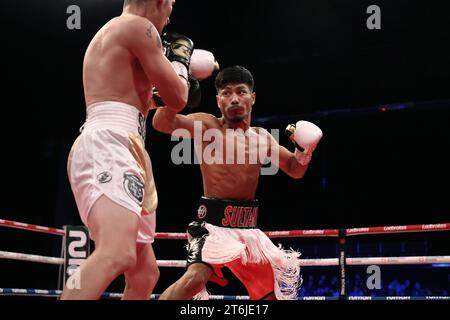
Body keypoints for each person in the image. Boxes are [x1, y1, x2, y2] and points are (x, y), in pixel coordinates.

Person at [62, 0, 196, 300]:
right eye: (170, 6)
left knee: (145, 273)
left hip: (128, 145)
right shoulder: (138, 26)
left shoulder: (120, 33)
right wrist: (180, 64)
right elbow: (177, 97)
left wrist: (176, 77)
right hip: (110, 143)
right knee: (116, 252)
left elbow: (153, 102)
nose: (170, 13)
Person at [153, 65, 323, 300]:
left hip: (248, 230)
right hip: (212, 226)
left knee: (269, 295)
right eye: (226, 93)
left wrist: (304, 152)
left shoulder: (262, 138)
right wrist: (176, 88)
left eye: (241, 92)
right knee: (194, 279)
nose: (233, 99)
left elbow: (294, 169)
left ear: (252, 97)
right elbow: (162, 123)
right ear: (217, 100)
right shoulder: (207, 126)